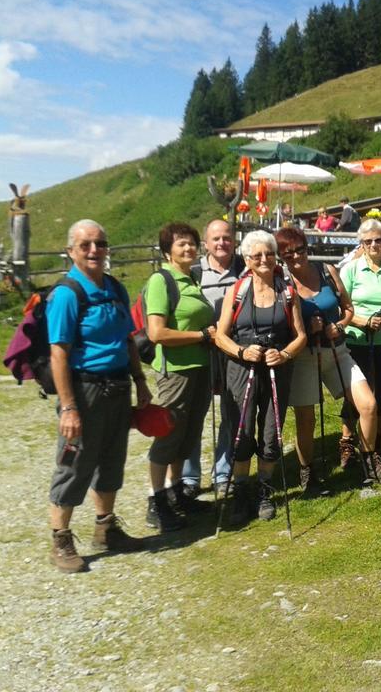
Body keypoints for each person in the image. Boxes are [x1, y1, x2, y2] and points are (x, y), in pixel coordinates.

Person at [47, 219, 149, 573]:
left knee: (111, 459)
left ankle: (106, 528)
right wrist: (69, 407)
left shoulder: (115, 289)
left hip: (118, 386)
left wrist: (140, 381)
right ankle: (61, 538)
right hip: (84, 389)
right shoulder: (66, 294)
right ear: (71, 251)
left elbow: (127, 340)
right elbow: (58, 353)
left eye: (100, 244)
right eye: (86, 244)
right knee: (74, 464)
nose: (94, 251)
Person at [277, 227, 381, 488]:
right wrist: (303, 329)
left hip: (337, 350)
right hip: (304, 356)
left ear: (307, 249)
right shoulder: (282, 282)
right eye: (288, 255)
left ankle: (370, 462)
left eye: (300, 250)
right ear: (281, 257)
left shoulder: (327, 272)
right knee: (306, 420)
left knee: (368, 405)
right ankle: (307, 472)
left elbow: (348, 308)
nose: (296, 257)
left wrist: (340, 325)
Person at [214, 230, 307, 524]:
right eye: (257, 255)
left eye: (269, 253)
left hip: (277, 367)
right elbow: (220, 335)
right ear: (247, 259)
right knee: (241, 432)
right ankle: (242, 490)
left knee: (271, 432)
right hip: (242, 368)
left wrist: (284, 355)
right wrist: (242, 353)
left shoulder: (287, 290)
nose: (264, 259)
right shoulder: (238, 290)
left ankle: (264, 488)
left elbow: (300, 336)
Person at [143, 222, 216, 532]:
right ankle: (156, 501)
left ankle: (176, 496)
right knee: (169, 433)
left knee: (187, 434)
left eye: (191, 243)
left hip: (199, 368)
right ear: (167, 251)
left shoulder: (192, 278)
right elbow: (156, 332)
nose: (188, 248)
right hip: (176, 371)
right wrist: (200, 335)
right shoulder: (162, 281)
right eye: (181, 244)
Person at [183, 219, 245, 495]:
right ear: (206, 244)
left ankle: (223, 471)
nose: (222, 243)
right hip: (201, 350)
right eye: (216, 238)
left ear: (234, 241)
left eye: (227, 238)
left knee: (231, 413)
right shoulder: (193, 273)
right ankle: (189, 477)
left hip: (233, 351)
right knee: (195, 415)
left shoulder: (245, 268)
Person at [337, 220, 381, 473]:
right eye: (368, 241)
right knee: (357, 396)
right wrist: (366, 321)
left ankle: (377, 443)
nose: (374, 245)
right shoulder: (352, 270)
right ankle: (346, 441)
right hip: (358, 339)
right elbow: (343, 308)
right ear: (361, 244)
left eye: (378, 240)